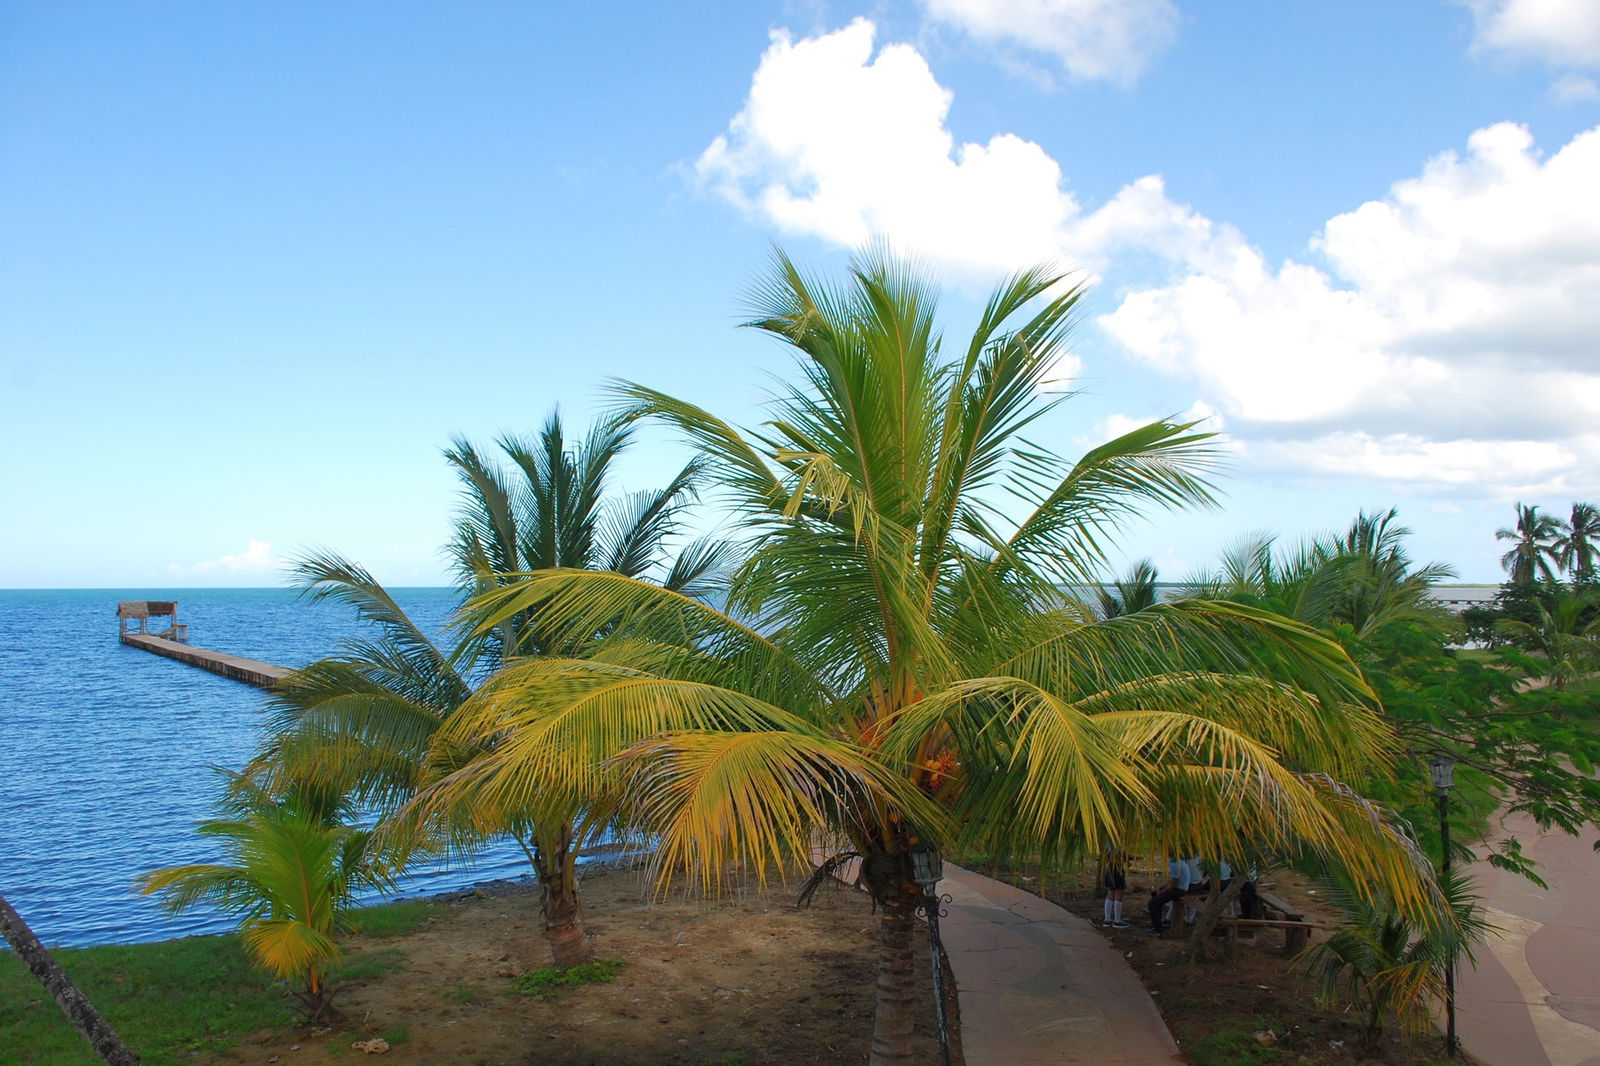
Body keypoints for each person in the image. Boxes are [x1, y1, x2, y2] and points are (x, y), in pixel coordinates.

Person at [1147, 855, 1190, 936]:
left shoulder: (1175, 863)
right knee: (1155, 896)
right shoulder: (1178, 861)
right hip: (1180, 888)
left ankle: (1158, 930)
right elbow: (1172, 880)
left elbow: (1174, 883)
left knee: (1152, 903)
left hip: (1179, 890)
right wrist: (1161, 888)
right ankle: (1157, 923)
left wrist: (1161, 891)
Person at [1101, 847, 1130, 928]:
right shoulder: (1116, 843)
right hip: (1117, 868)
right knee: (1119, 894)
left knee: (1110, 893)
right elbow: (1118, 854)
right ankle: (1117, 921)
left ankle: (1107, 919)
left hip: (1110, 868)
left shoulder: (1108, 843)